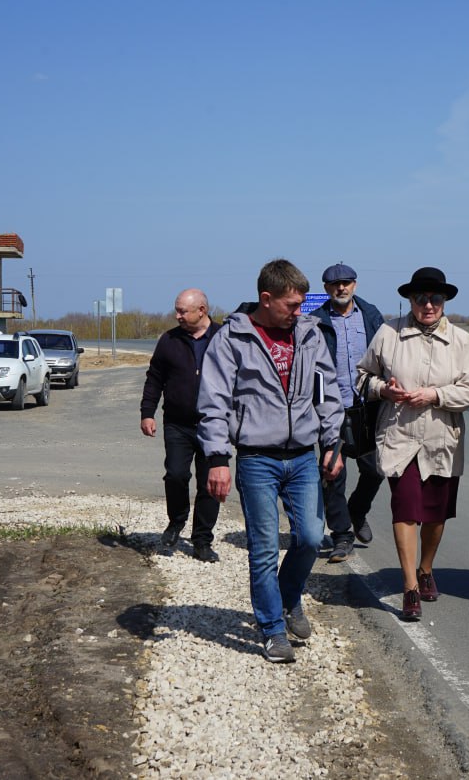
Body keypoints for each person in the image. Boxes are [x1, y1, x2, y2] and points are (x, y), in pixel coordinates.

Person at [198, 259, 345, 663]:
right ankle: (272, 629)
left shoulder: (310, 334)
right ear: (267, 299)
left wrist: (333, 442)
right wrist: (216, 458)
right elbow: (213, 402)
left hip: (302, 456)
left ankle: (288, 595)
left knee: (311, 538)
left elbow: (327, 391)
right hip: (256, 458)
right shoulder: (232, 338)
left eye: (301, 304)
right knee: (263, 548)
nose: (300, 312)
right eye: (292, 305)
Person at [357, 267, 469, 621]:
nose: (428, 305)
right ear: (410, 300)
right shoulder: (388, 332)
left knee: (436, 515)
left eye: (435, 298)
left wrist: (435, 395)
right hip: (400, 436)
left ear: (444, 301)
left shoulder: (461, 340)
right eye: (421, 298)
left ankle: (426, 569)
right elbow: (363, 377)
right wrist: (384, 390)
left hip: (443, 439)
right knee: (406, 508)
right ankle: (410, 587)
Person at [310, 262, 386, 563]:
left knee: (376, 469)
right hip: (330, 408)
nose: (341, 288)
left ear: (355, 284)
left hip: (367, 408)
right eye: (334, 284)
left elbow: (385, 354)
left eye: (346, 283)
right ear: (327, 288)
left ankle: (357, 510)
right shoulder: (315, 321)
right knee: (332, 472)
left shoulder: (370, 315)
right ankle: (342, 536)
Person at [140, 288, 222, 562]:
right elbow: (154, 378)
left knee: (209, 484)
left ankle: (202, 541)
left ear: (202, 310)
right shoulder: (169, 340)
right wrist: (147, 412)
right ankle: (176, 521)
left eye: (182, 311)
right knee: (175, 474)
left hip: (214, 424)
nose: (177, 316)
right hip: (177, 423)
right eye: (177, 310)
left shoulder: (223, 338)